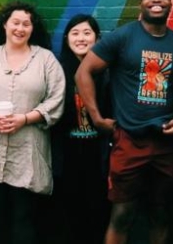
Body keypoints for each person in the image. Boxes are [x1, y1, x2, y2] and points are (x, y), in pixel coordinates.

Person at [75, 0, 173, 244]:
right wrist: (97, 118)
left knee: (161, 214)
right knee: (123, 213)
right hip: (129, 140)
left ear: (171, 3)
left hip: (168, 145)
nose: (156, 0)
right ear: (141, 3)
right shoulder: (123, 37)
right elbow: (84, 72)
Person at [0, 1, 66, 244]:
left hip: (28, 153)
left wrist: (25, 119)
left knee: (24, 222)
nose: (20, 28)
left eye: (26, 24)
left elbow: (56, 101)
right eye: (15, 22)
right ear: (5, 24)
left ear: (32, 28)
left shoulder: (46, 60)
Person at [51, 13, 111, 244]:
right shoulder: (57, 71)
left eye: (87, 33)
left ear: (97, 38)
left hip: (99, 152)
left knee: (98, 210)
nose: (81, 38)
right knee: (70, 213)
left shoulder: (107, 72)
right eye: (75, 33)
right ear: (66, 39)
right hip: (67, 153)